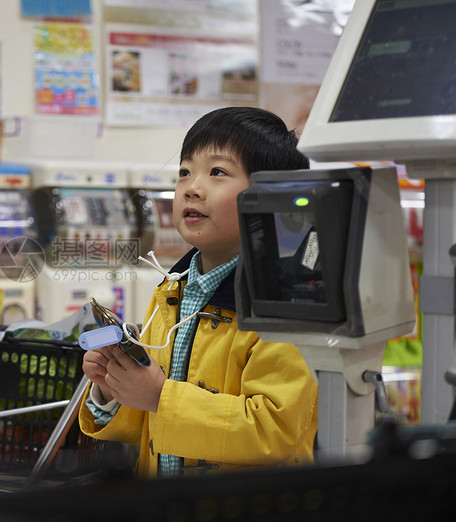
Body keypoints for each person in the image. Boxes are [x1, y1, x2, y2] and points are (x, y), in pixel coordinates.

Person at [79, 107, 318, 478]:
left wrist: (160, 396)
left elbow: (276, 430)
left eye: (218, 172)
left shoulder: (284, 301)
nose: (191, 187)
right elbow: (152, 424)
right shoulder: (172, 289)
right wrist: (113, 388)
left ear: (270, 196)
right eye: (184, 172)